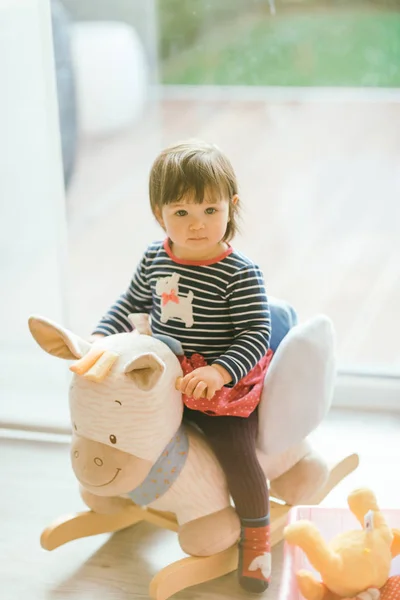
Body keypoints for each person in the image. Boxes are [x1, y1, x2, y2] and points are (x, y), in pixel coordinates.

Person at [92, 139, 274, 592]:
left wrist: (219, 371)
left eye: (210, 211)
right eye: (182, 214)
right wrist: (99, 336)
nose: (197, 226)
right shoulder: (156, 257)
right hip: (165, 380)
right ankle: (118, 485)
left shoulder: (239, 273)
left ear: (231, 208)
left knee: (236, 451)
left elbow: (256, 335)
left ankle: (256, 535)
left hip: (220, 388)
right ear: (160, 214)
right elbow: (130, 303)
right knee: (120, 417)